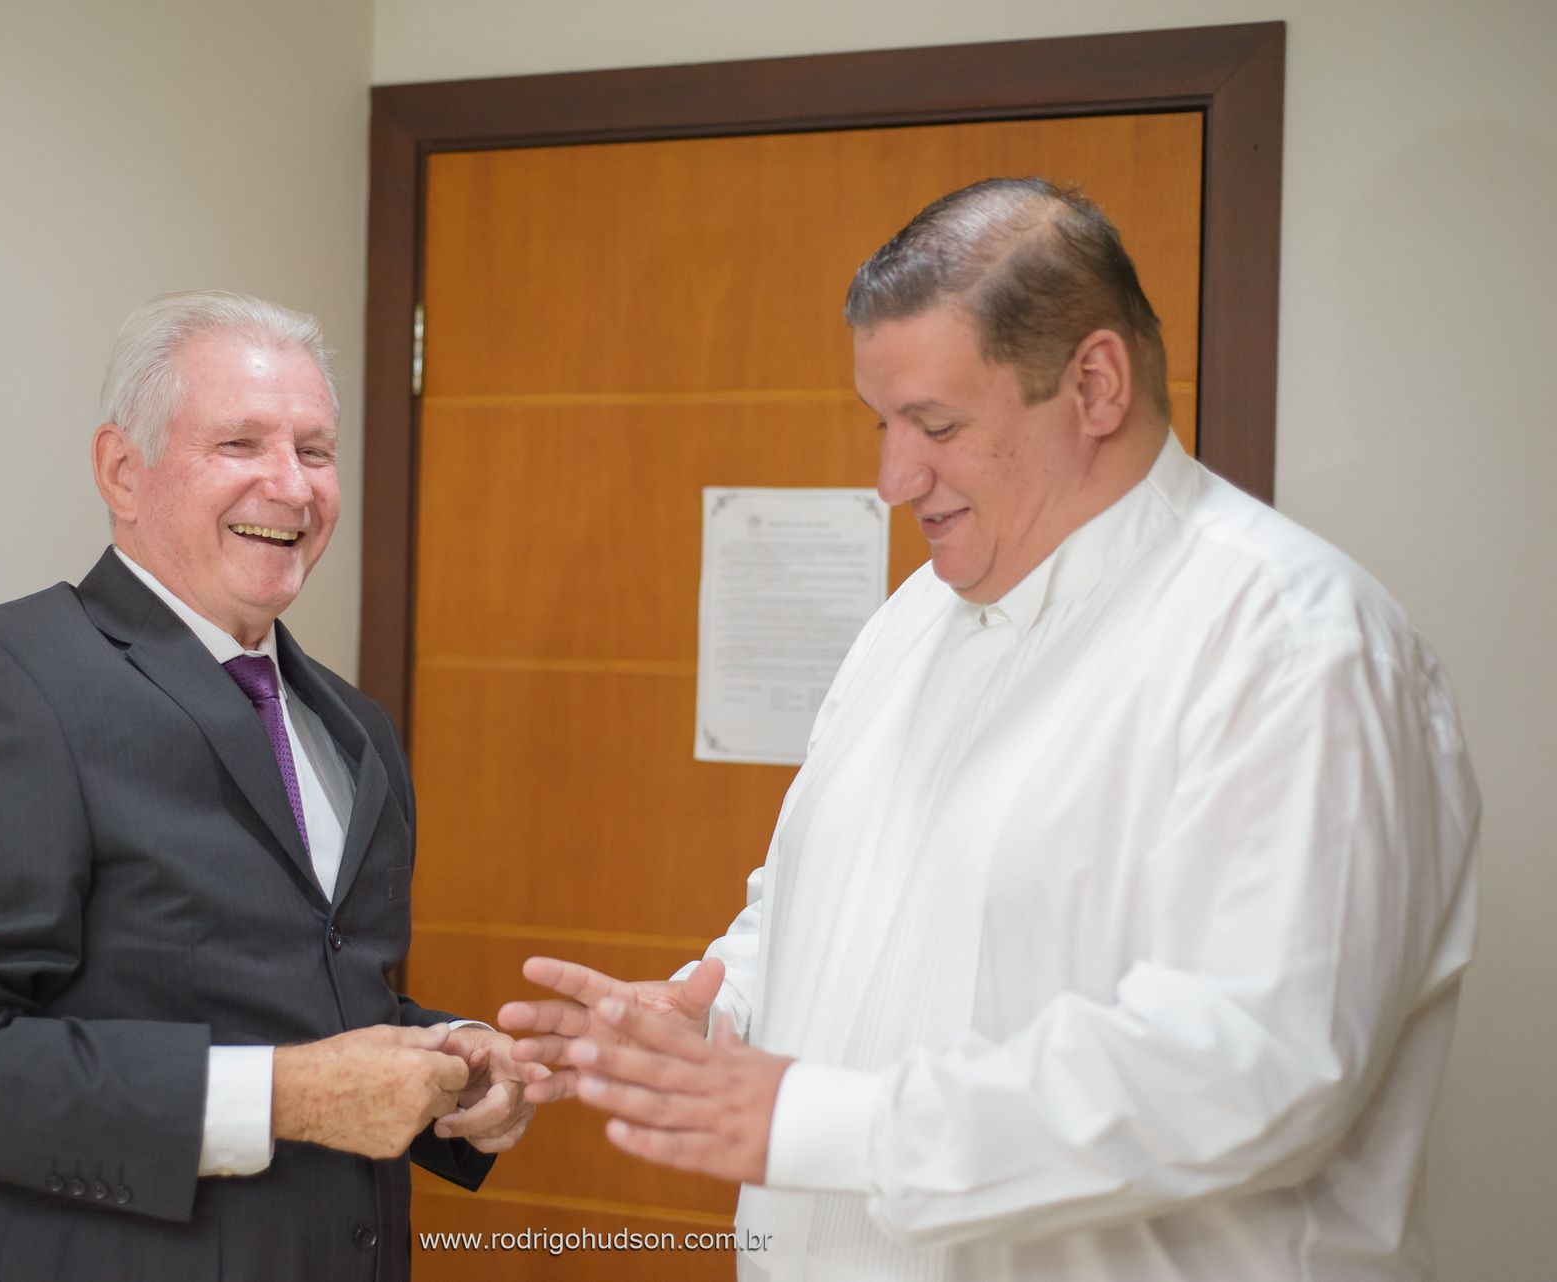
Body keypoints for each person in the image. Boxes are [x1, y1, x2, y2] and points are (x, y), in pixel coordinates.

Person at [501, 179, 1480, 1280]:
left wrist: (824, 1120)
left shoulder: (1295, 647)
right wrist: (707, 1020)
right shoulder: (908, 624)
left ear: (1095, 385)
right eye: (883, 423)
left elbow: (1262, 1066)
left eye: (937, 424)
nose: (890, 479)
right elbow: (818, 910)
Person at [0, 290, 536, 1282]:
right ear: (123, 471)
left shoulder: (353, 726)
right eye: (242, 444)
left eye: (316, 449)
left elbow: (304, 997)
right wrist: (285, 1098)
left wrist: (455, 1057)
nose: (290, 487)